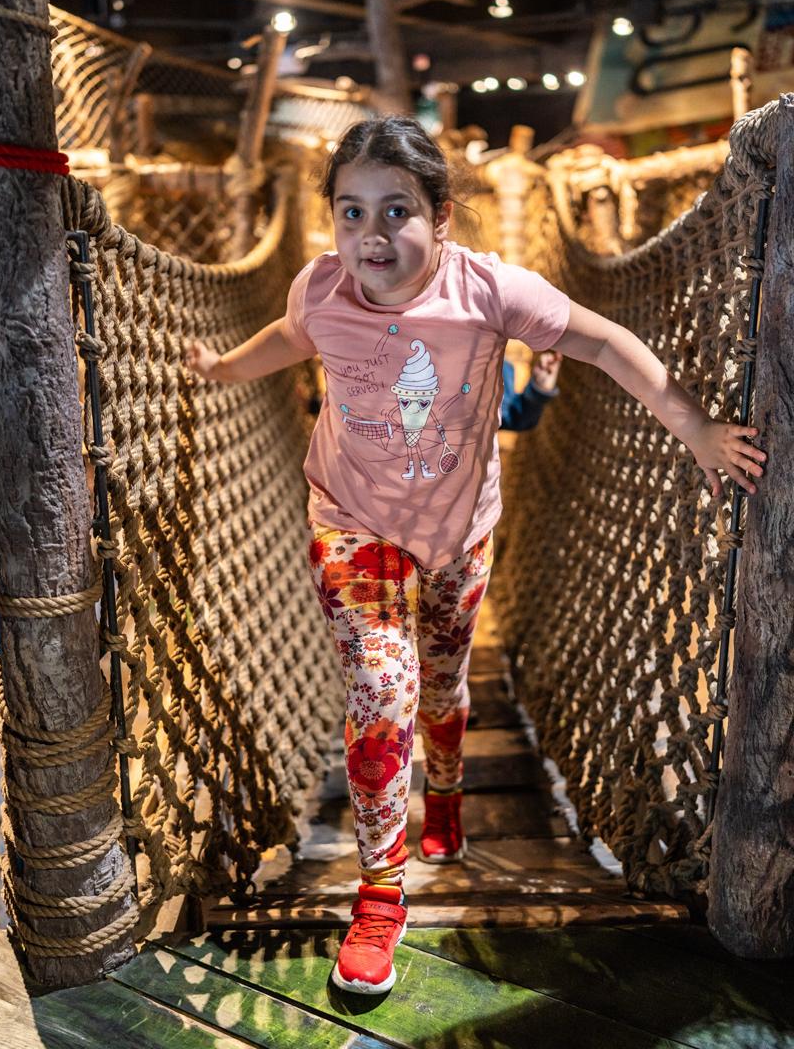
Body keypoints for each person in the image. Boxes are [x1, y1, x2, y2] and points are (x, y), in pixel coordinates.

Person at [185, 116, 764, 997]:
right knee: (386, 689)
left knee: (446, 681)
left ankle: (446, 789)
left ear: (442, 216)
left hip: (458, 528)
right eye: (351, 213)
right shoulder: (323, 288)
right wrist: (225, 367)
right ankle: (380, 895)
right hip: (352, 521)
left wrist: (694, 428)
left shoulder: (490, 291)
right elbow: (288, 337)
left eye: (396, 212)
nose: (370, 236)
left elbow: (604, 340)